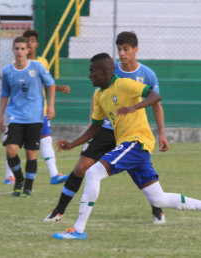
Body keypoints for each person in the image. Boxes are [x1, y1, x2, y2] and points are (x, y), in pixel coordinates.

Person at [52, 53, 201, 240]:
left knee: (93, 172)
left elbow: (155, 96)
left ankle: (78, 229)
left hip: (136, 142)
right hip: (132, 148)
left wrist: (134, 107)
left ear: (104, 73)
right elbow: (95, 127)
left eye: (92, 72)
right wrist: (72, 144)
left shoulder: (124, 84)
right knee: (158, 199)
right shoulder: (100, 95)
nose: (89, 76)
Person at [44, 31, 169, 224]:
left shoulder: (147, 74)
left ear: (136, 50)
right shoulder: (109, 70)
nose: (122, 53)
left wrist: (162, 133)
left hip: (131, 133)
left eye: (126, 49)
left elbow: (156, 103)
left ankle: (157, 210)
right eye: (119, 49)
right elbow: (98, 100)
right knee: (81, 168)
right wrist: (90, 125)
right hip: (106, 129)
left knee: (142, 170)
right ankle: (58, 211)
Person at [4, 29, 69, 185]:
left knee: (45, 140)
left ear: (36, 44)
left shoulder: (42, 62)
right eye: (27, 41)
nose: (30, 44)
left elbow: (46, 84)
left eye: (32, 41)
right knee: (13, 145)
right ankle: (10, 176)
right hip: (20, 112)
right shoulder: (14, 67)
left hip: (40, 110)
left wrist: (59, 90)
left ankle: (54, 174)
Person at [0, 36, 56, 198]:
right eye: (16, 48)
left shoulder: (37, 67)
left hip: (35, 116)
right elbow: (4, 95)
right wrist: (0, 117)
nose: (19, 51)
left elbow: (50, 84)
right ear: (13, 50)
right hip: (15, 116)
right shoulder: (7, 71)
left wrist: (51, 106)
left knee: (31, 153)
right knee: (11, 150)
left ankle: (28, 188)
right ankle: (19, 180)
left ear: (28, 50)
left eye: (22, 49)